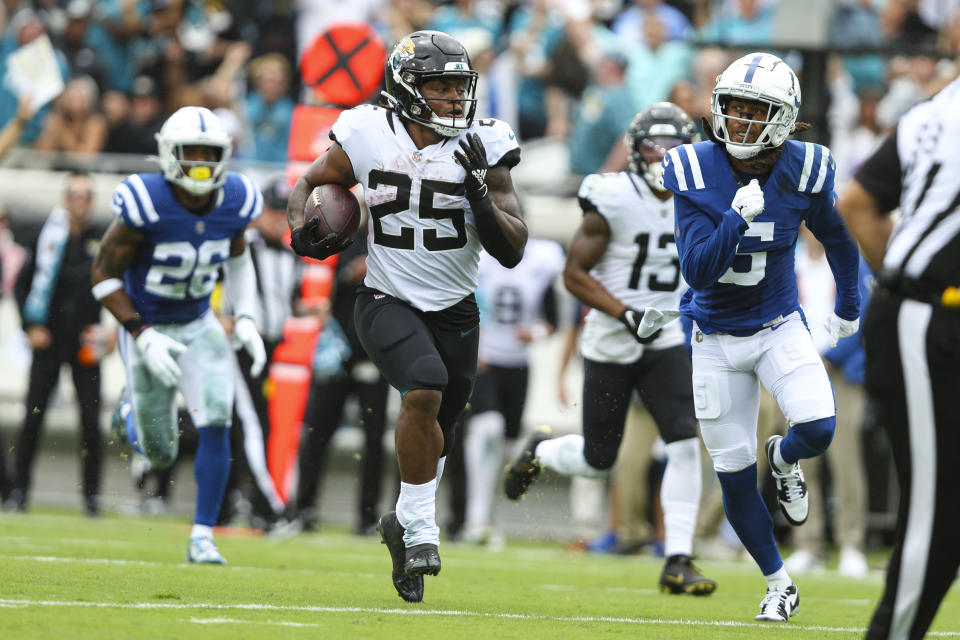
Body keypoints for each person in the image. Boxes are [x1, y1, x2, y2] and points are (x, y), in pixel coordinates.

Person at [286, 30, 526, 603]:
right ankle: (422, 531)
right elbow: (310, 184)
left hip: (457, 311)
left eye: (458, 87)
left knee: (437, 430)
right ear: (407, 89)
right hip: (385, 298)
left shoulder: (484, 144)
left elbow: (513, 247)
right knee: (424, 389)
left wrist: (477, 193)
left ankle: (399, 522)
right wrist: (303, 232)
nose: (452, 99)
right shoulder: (367, 132)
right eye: (439, 87)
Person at [663, 52, 861, 622]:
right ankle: (779, 583)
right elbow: (698, 269)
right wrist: (735, 221)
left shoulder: (805, 168)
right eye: (734, 108)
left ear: (783, 117)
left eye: (757, 111)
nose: (742, 122)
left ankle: (786, 457)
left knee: (819, 428)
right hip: (715, 336)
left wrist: (848, 304)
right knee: (731, 470)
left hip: (777, 324)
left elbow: (840, 239)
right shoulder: (694, 168)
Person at [504, 103, 716, 595]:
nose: (664, 157)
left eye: (674, 148)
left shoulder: (702, 198)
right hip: (612, 339)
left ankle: (678, 559)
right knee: (601, 458)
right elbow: (574, 275)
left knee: (685, 442)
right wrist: (626, 314)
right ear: (634, 152)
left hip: (663, 337)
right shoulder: (613, 196)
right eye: (654, 147)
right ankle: (542, 450)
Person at [91, 105, 267, 564]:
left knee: (217, 422)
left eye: (210, 153)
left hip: (198, 322)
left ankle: (203, 536)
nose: (201, 163)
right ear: (170, 155)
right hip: (147, 323)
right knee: (161, 452)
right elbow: (104, 277)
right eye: (192, 153)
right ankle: (131, 412)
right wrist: (141, 334)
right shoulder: (145, 200)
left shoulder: (236, 199)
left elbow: (238, 258)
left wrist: (245, 315)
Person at [837, 75, 960, 640]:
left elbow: (860, 203)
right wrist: (915, 285)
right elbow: (856, 204)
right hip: (929, 321)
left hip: (918, 309)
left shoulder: (936, 108)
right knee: (937, 514)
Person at [5, 171, 109, 516]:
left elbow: (119, 286)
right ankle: (19, 491)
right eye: (74, 195)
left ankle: (92, 497)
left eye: (86, 196)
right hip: (48, 342)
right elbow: (22, 286)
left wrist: (112, 332)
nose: (79, 202)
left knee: (91, 422)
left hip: (85, 344)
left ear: (91, 202)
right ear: (65, 199)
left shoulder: (104, 240)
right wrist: (31, 325)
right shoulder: (45, 237)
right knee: (32, 418)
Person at [461, 236, 564, 544]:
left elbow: (552, 321)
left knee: (506, 444)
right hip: (484, 361)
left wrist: (532, 332)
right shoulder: (477, 259)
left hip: (517, 365)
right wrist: (468, 346)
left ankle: (487, 519)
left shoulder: (541, 263)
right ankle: (475, 517)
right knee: (487, 428)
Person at [784, 228, 871, 578]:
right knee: (802, 460)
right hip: (797, 369)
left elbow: (861, 314)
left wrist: (832, 356)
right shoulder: (789, 260)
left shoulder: (850, 260)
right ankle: (808, 544)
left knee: (846, 458)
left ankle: (852, 543)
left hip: (841, 372)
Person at [292, 232, 391, 536]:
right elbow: (304, 295)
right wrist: (348, 274)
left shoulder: (392, 240)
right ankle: (304, 507)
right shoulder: (338, 239)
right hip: (335, 357)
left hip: (373, 356)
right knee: (318, 432)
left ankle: (366, 515)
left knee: (374, 441)